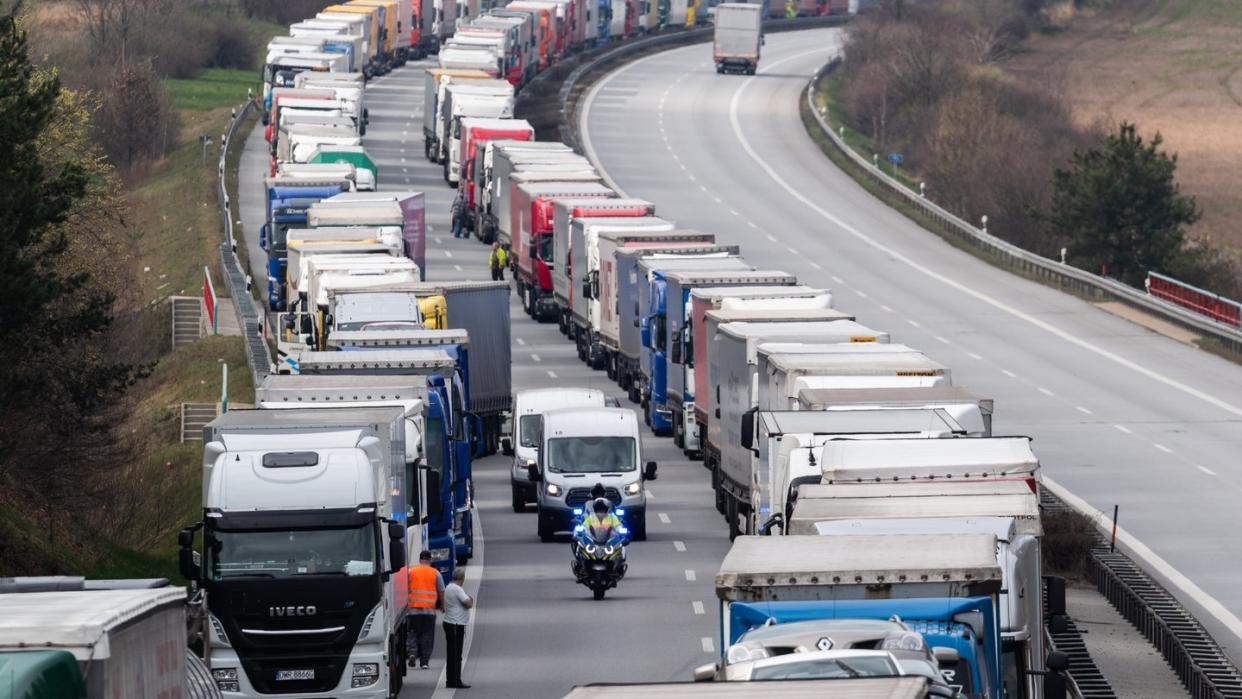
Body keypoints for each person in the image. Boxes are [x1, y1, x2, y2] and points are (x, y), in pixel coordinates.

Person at [407, 551, 444, 670]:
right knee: (427, 636)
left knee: (412, 633)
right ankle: (424, 662)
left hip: (413, 610)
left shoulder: (411, 572)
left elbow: (405, 588)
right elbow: (441, 590)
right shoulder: (435, 573)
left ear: (419, 560)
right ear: (430, 560)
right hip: (429, 611)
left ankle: (412, 653)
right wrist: (443, 605)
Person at [443, 567, 474, 689]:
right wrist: (470, 598)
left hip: (451, 623)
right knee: (456, 655)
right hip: (455, 624)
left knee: (452, 654)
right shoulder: (457, 589)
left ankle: (451, 680)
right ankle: (455, 680)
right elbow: (469, 603)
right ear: (462, 578)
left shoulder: (449, 587)